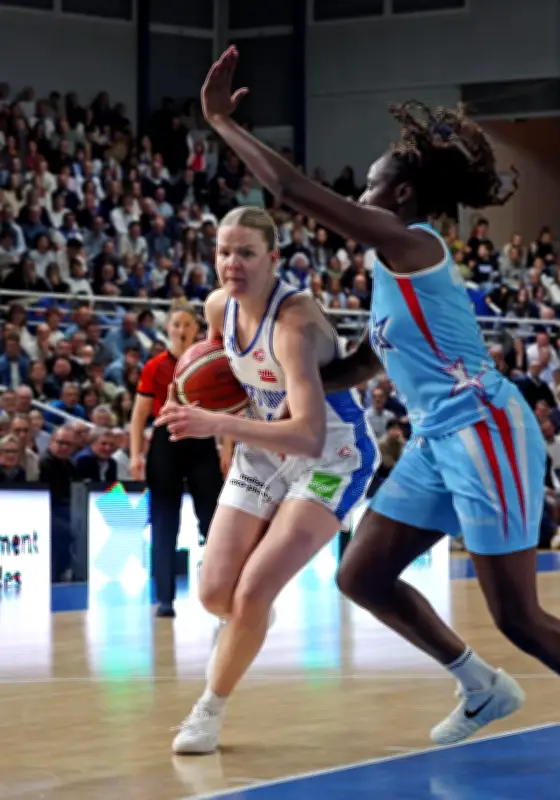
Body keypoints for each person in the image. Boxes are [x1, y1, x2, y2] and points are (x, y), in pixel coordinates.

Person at [192, 45, 560, 778]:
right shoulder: (390, 268)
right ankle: (480, 685)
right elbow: (366, 362)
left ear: (405, 195)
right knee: (361, 575)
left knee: (516, 614)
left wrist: (223, 123)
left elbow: (289, 188)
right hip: (433, 439)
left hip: (485, 431)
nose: (363, 193)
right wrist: (274, 382)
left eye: (373, 185)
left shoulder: (412, 243)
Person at [157, 205, 379, 755]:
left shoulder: (294, 325)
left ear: (273, 258)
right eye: (223, 252)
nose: (231, 263)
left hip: (331, 456)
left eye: (246, 253)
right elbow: (222, 376)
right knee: (214, 593)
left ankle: (208, 711)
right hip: (259, 446)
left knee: (253, 589)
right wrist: (208, 414)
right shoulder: (218, 306)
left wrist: (216, 426)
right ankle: (251, 619)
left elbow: (308, 434)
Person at [130, 304, 223, 618]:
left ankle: (220, 594)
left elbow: (228, 410)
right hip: (165, 442)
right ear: (167, 329)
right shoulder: (154, 366)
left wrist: (227, 449)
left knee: (213, 521)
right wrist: (135, 454)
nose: (181, 329)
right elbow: (138, 416)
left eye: (187, 324)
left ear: (196, 329)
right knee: (164, 521)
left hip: (202, 440)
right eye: (176, 324)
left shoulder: (210, 362)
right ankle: (165, 599)